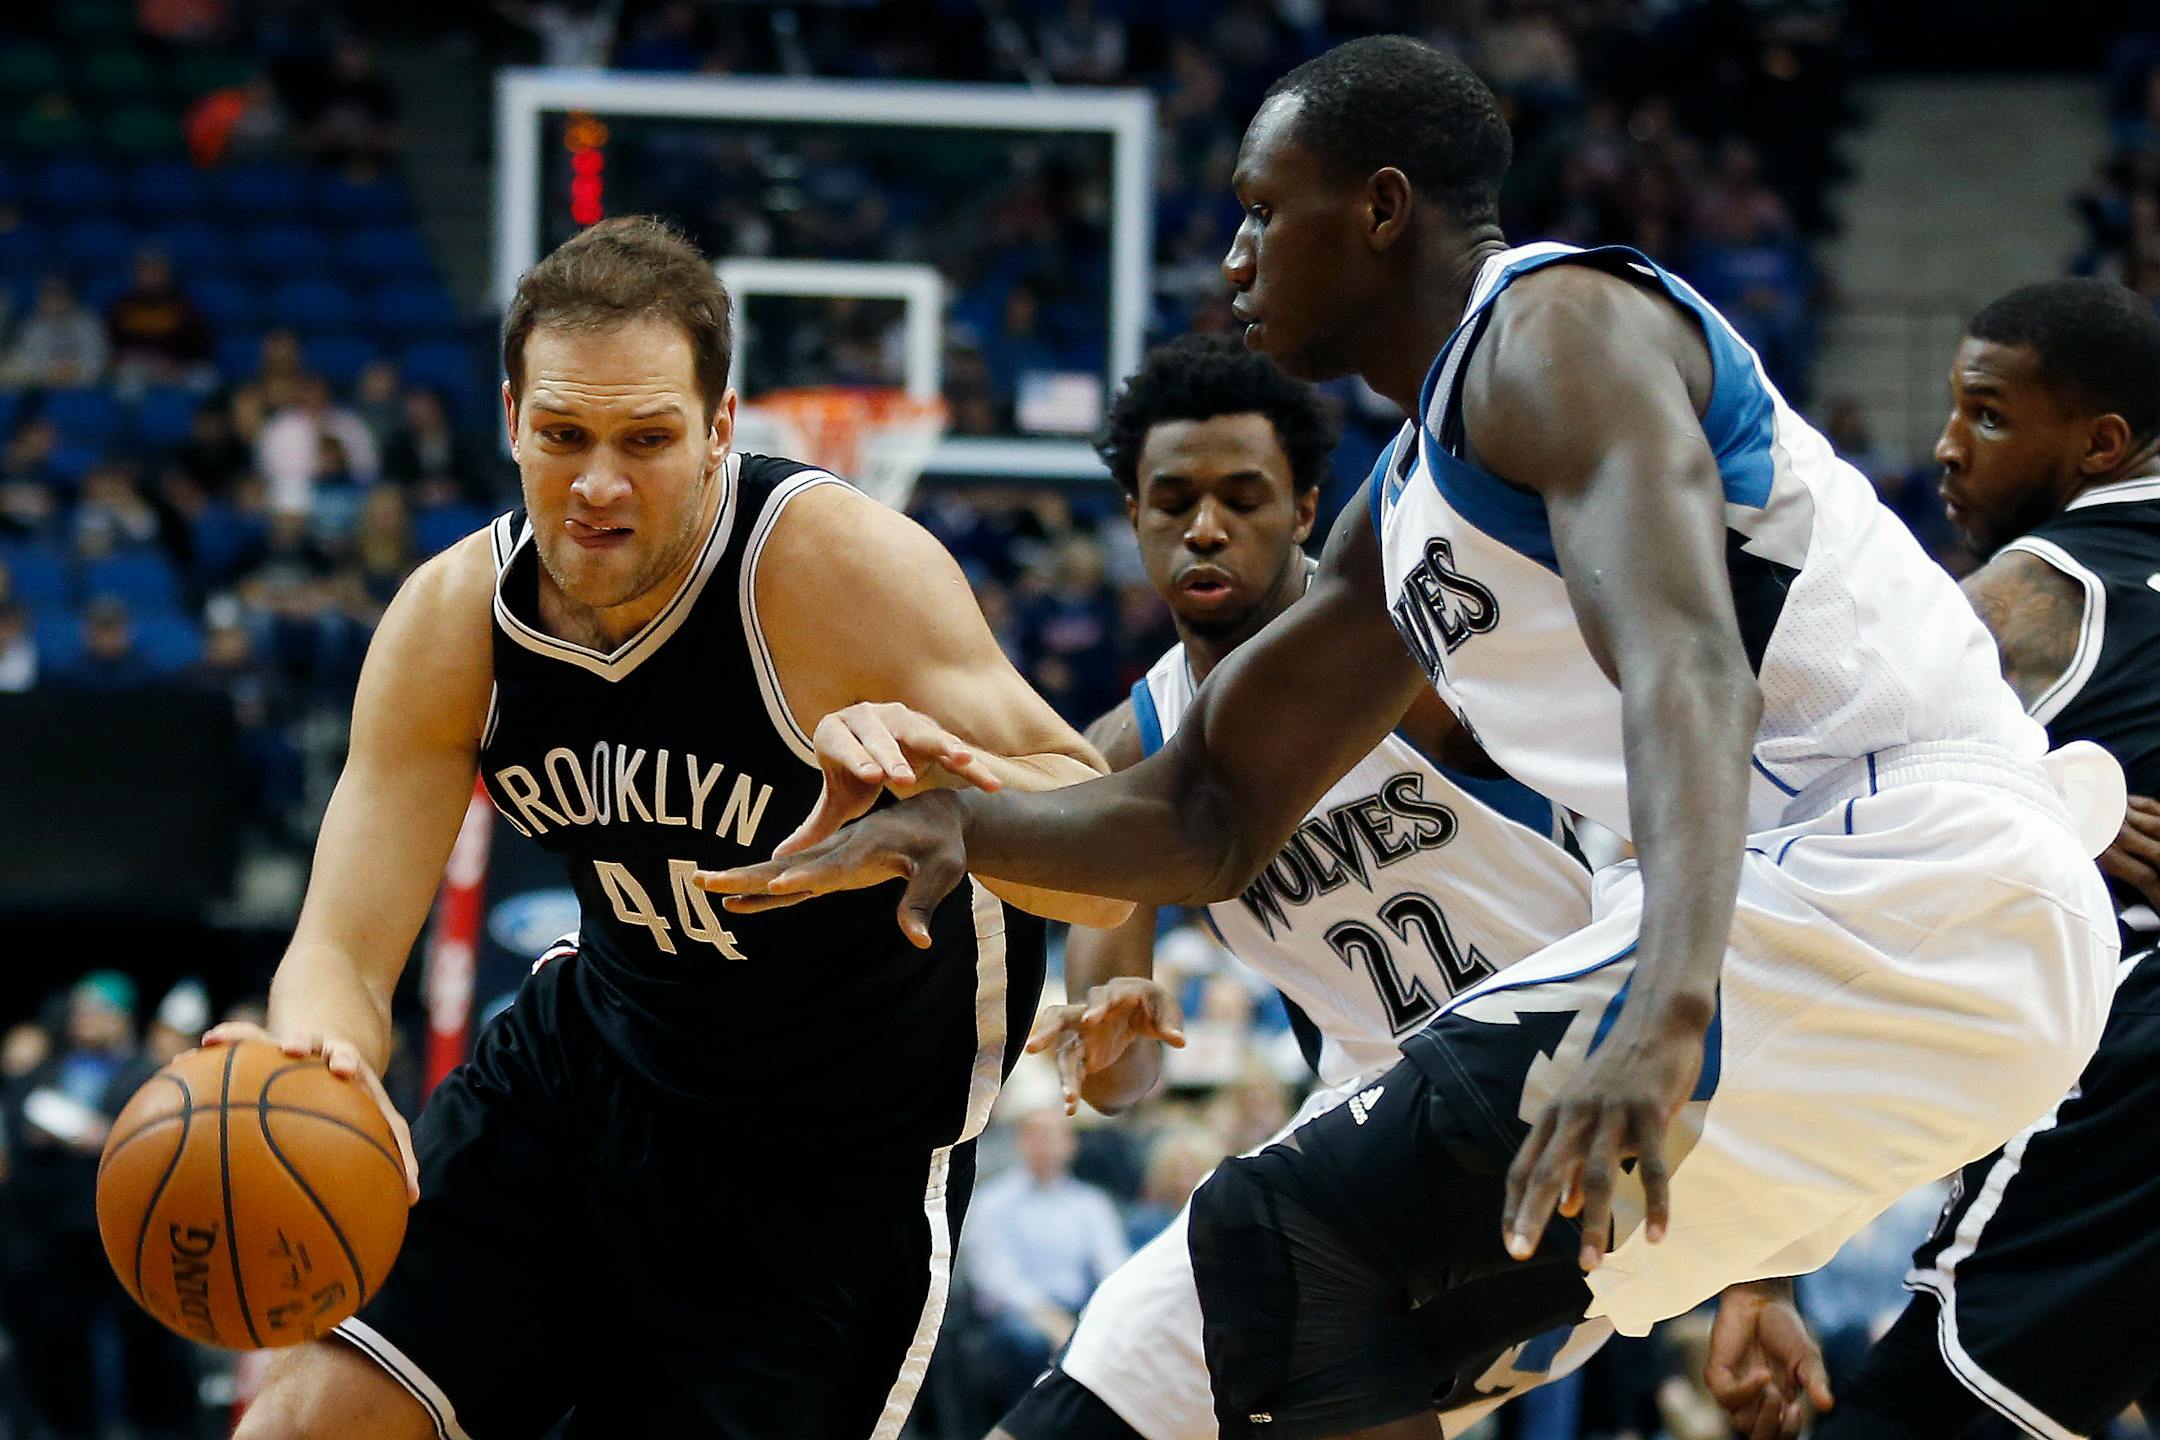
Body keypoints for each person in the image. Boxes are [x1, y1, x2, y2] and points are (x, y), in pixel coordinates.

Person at [702, 37, 2118, 1440]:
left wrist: (1665, 1003)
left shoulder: (1555, 328)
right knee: (1206, 1341)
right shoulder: (1409, 507)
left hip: (1882, 869)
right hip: (1849, 941)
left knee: (1283, 1232)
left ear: (1380, 210)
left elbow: (1687, 661)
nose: (1235, 259)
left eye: (1265, 210)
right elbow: (1204, 812)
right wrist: (956, 824)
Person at [211, 215, 1121, 1440]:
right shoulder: (452, 624)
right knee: (300, 1428)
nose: (597, 484)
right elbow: (337, 948)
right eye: (564, 436)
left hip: (824, 1165)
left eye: (646, 440)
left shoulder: (827, 571)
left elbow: (1111, 866)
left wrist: (957, 796)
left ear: (721, 429)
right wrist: (318, 1056)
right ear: (510, 418)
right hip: (592, 1069)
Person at [989, 333, 1610, 1440]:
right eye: (1172, 501)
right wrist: (1106, 1030)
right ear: (1132, 516)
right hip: (1371, 1138)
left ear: (1308, 506)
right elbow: (1124, 1083)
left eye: (1244, 497)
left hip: (1572, 1083)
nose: (1207, 527)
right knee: (1082, 1401)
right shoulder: (1129, 752)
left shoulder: (1408, 648)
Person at [1807, 279, 2160, 1440]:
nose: (1948, 449)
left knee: (1923, 1414)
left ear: (2101, 443)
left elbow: (1821, 807)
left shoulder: (2033, 591)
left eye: (1990, 417)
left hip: (2131, 1073)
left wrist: (2057, 805)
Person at [964, 1106, 1131, 1411]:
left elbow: (1114, 1269)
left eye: (1055, 1135)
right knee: (1026, 1342)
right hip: (1017, 1317)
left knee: (1118, 1338)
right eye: (1037, 1135)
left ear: (1071, 1144)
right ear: (1021, 1141)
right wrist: (1049, 1319)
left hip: (1081, 1311)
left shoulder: (1091, 1204)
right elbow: (995, 1279)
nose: (1047, 1144)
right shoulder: (992, 1201)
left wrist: (1097, 1317)